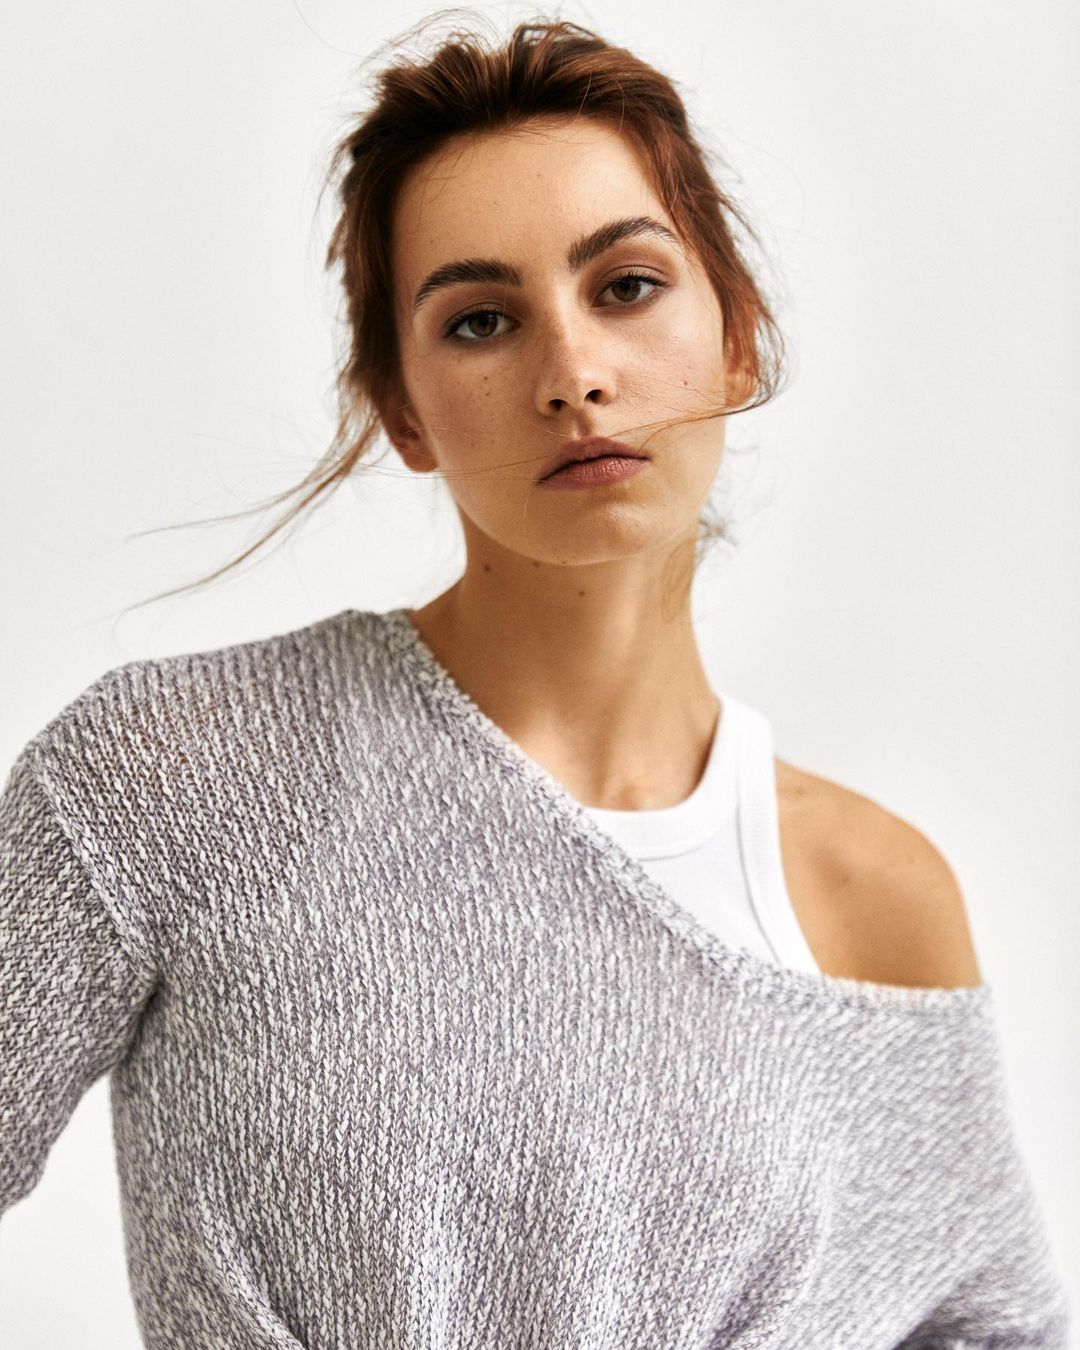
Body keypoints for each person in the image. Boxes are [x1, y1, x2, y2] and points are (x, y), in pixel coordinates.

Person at [1, 15, 1070, 1348]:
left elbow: (990, 1327)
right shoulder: (170, 773)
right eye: (482, 320)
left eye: (627, 286)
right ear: (402, 411)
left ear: (738, 336)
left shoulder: (875, 897)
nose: (573, 375)